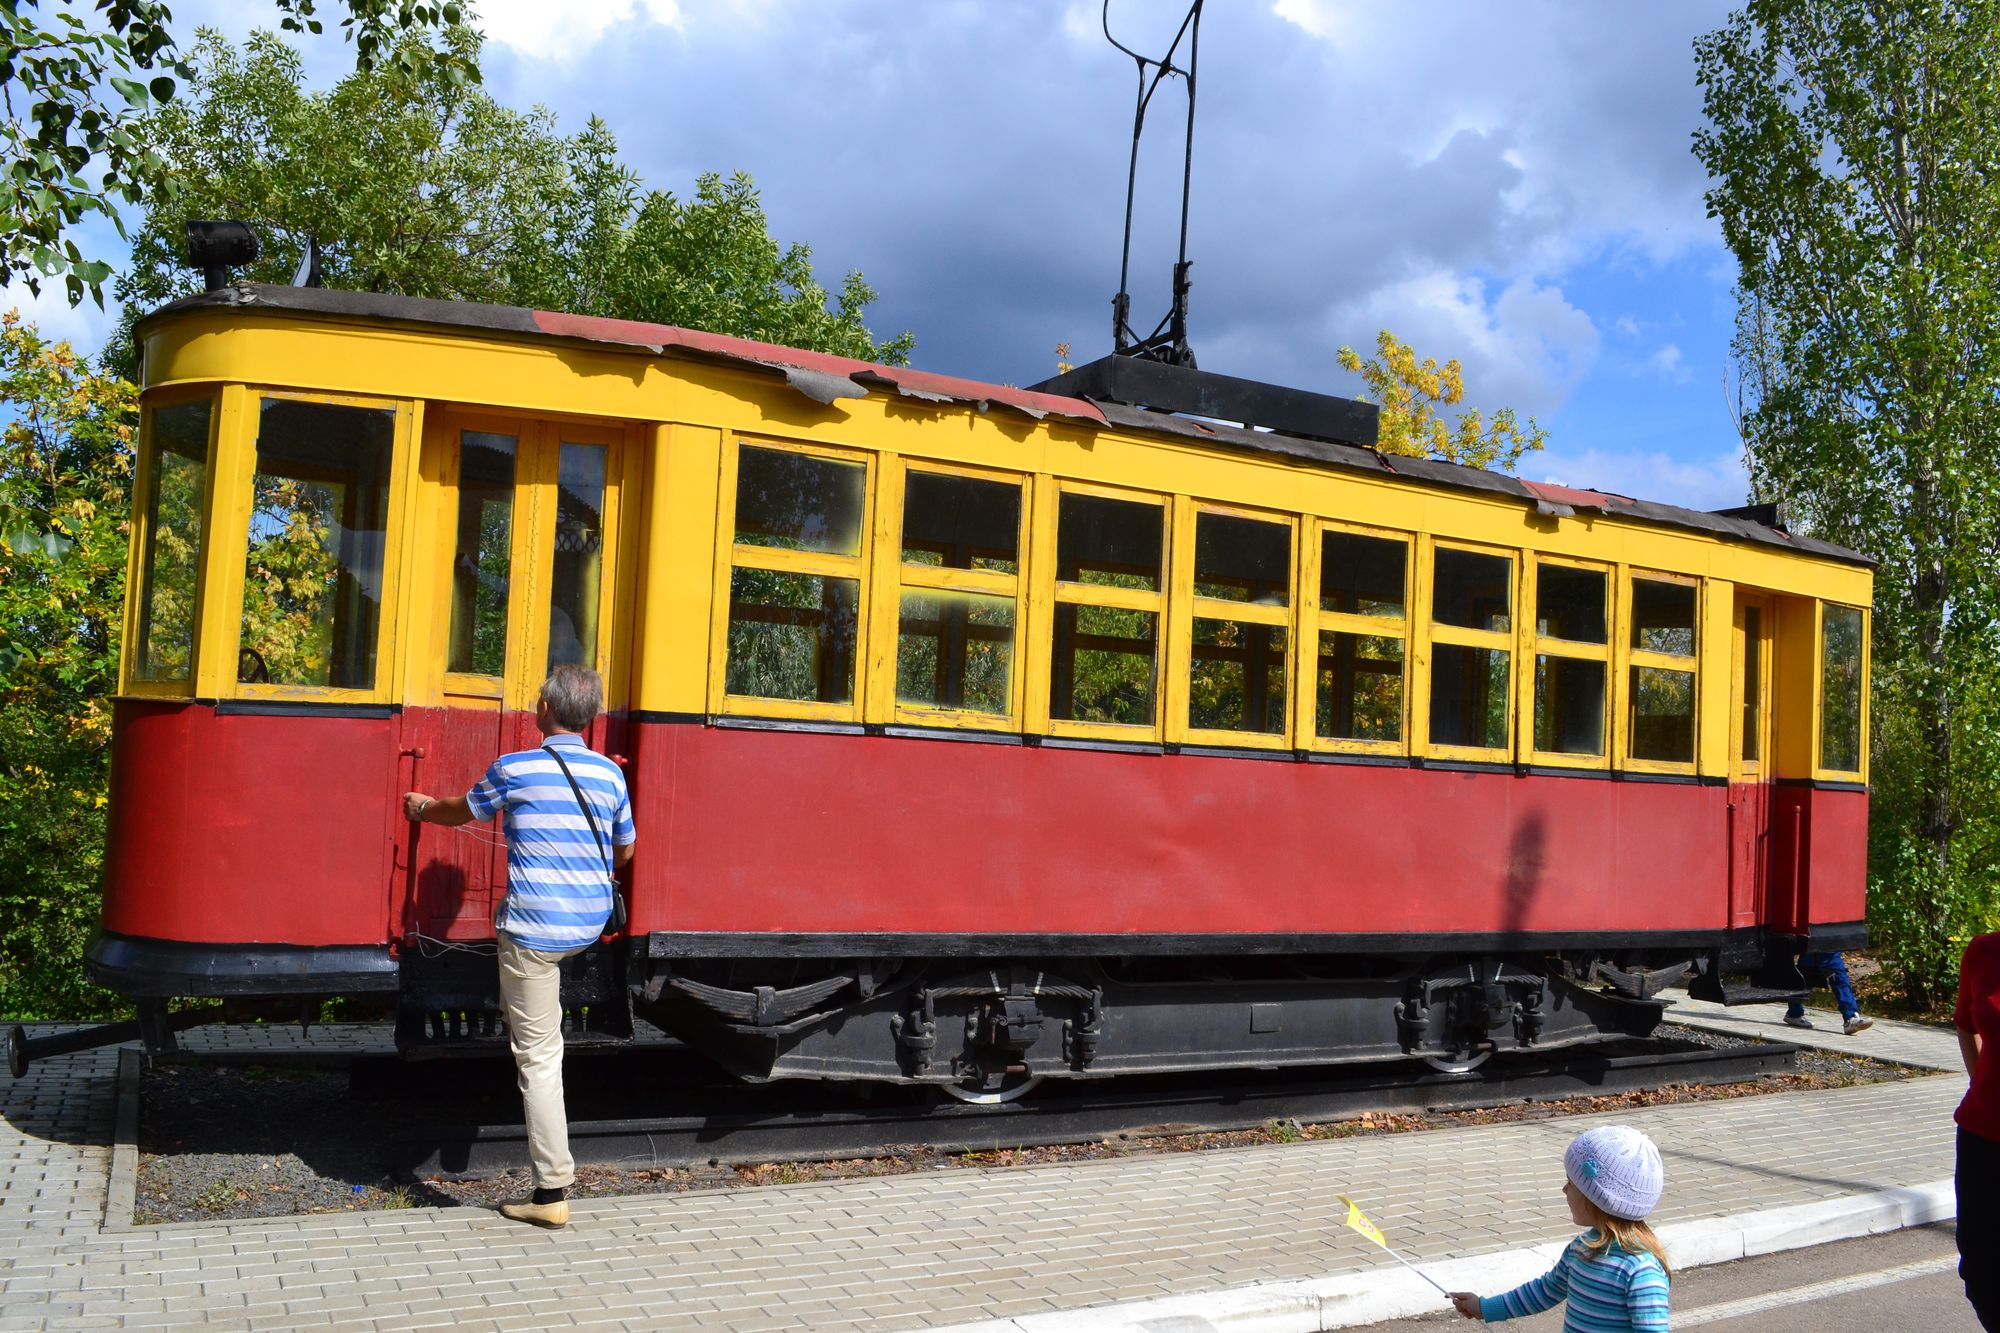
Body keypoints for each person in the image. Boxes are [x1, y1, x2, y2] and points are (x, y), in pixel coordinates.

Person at [403, 663, 635, 1229]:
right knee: (545, 998)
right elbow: (625, 851)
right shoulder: (609, 775)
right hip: (587, 923)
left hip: (534, 932)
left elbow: (463, 810)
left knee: (539, 1055)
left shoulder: (516, 767)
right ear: (592, 718)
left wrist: (424, 808)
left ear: (545, 711)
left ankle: (551, 1191)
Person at [1448, 1124, 1670, 1330]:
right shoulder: (1581, 1249)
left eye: (1571, 1183)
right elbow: (1545, 1291)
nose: (1564, 1190)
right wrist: (1485, 1307)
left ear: (1596, 1198)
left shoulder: (1640, 1272)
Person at [1956, 933, 2000, 1329]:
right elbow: (1965, 1022)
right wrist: (1979, 1081)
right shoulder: (1985, 951)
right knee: (1980, 1271)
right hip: (1981, 1134)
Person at [1784, 950, 1873, 1034]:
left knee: (1833, 969)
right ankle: (1794, 1012)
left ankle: (1850, 1017)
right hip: (1814, 938)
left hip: (1823, 939)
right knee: (1807, 970)